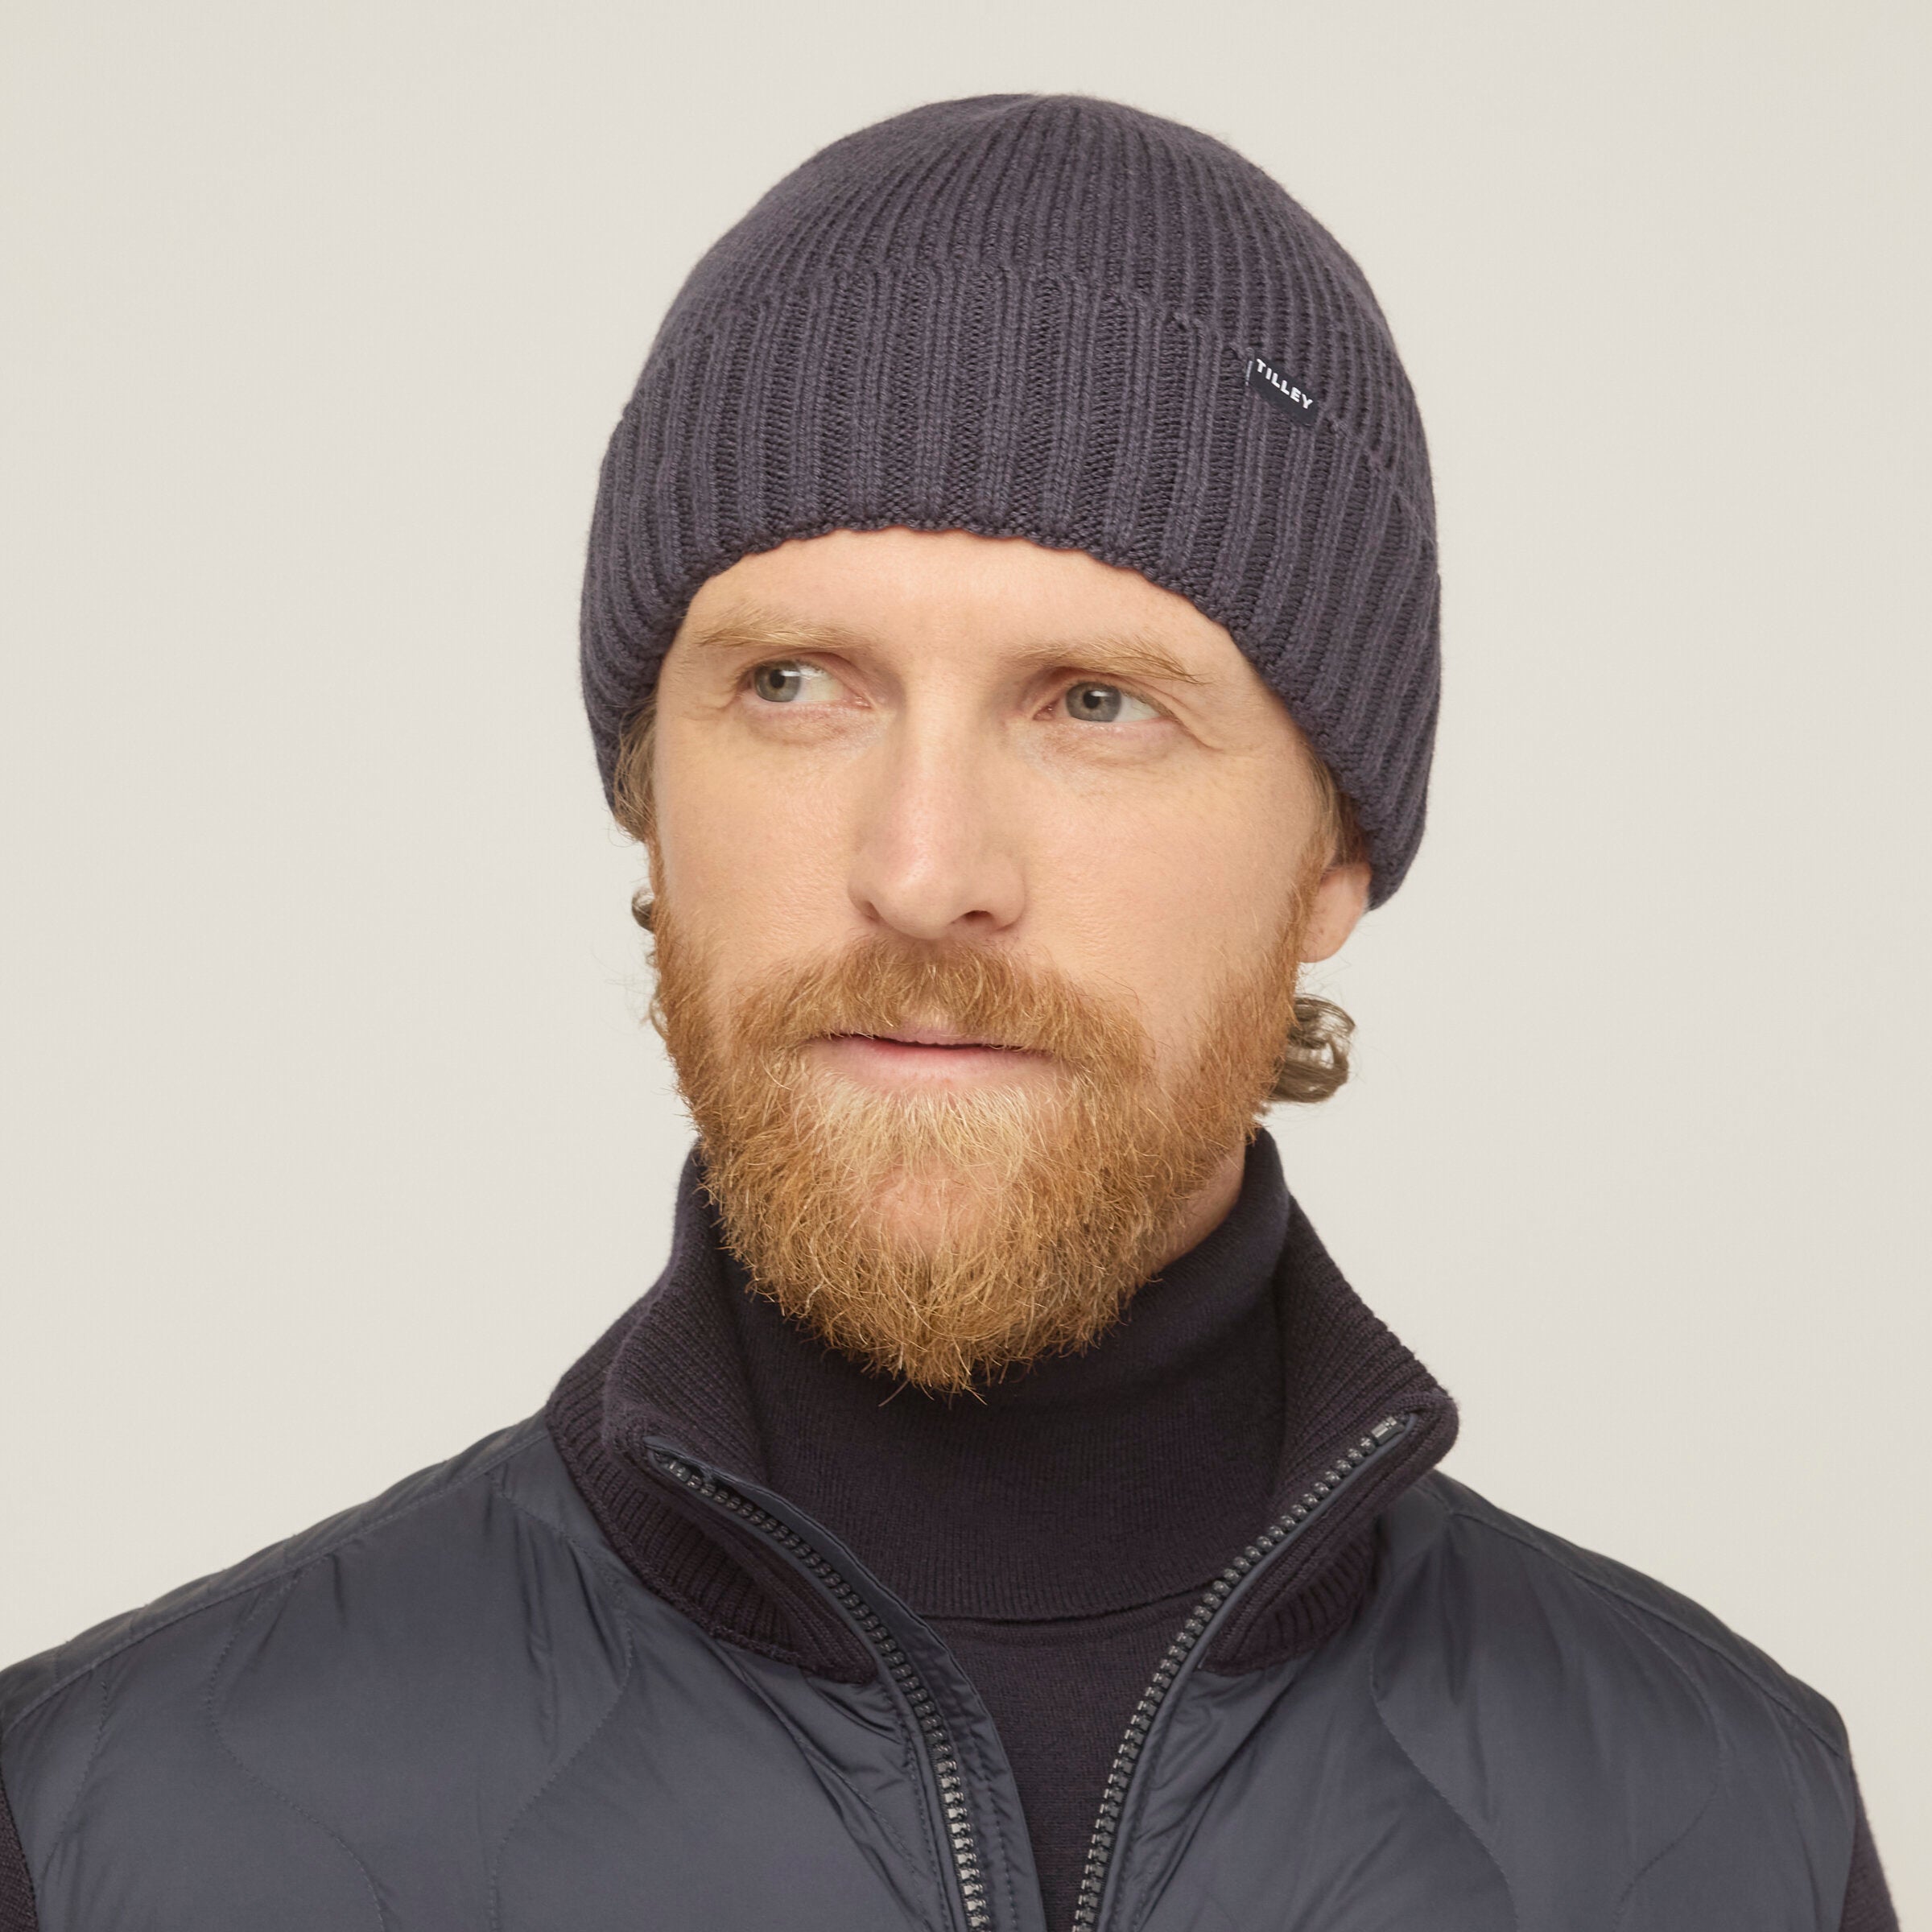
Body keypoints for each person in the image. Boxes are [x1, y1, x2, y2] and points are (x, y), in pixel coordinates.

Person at [0, 93, 1896, 1932]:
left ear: (1336, 852)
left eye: (1095, 703)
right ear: (650, 791)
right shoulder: (115, 1829)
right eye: (795, 683)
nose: (922, 871)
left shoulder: (1722, 1828)